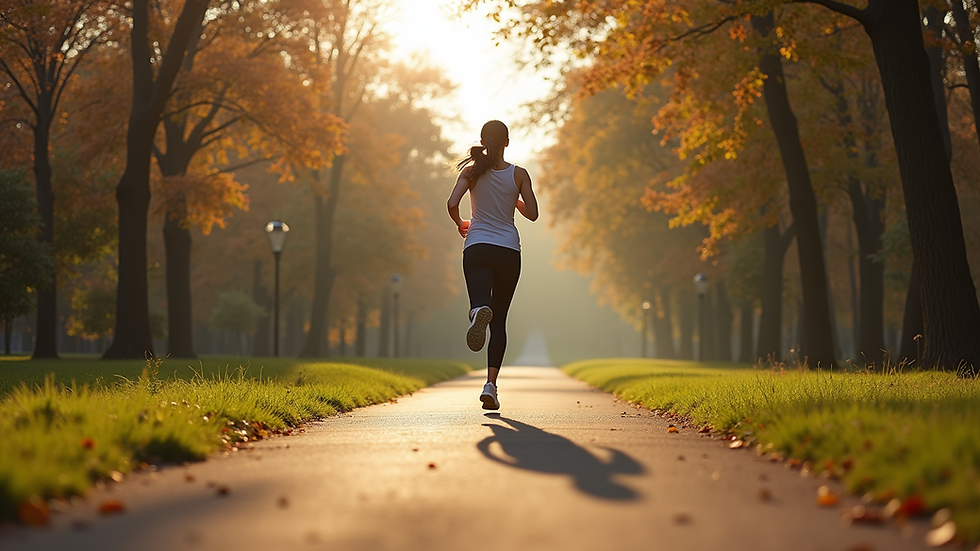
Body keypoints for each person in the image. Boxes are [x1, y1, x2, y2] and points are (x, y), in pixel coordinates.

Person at [447, 120, 538, 410]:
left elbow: (451, 202)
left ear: (484, 141)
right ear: (507, 142)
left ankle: (476, 311)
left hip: (477, 246)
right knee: (499, 321)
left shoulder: (471, 172)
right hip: (508, 250)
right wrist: (513, 198)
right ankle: (491, 385)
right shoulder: (519, 174)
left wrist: (461, 222)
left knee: (481, 302)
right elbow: (533, 214)